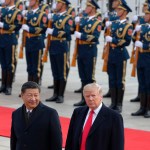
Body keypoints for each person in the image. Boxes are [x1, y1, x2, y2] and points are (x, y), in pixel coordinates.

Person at [65, 83, 124, 150]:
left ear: (101, 96)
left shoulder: (114, 117)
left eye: (93, 95)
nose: (90, 99)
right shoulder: (78, 112)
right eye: (87, 96)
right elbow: (70, 140)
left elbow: (117, 145)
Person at [10, 81, 62, 150]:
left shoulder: (50, 114)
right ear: (22, 95)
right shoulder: (16, 114)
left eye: (36, 95)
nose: (33, 99)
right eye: (30, 95)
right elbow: (14, 140)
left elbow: (56, 142)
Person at [105, 0, 132, 113]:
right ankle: (113, 102)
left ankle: (119, 104)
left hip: (121, 54)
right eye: (117, 9)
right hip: (112, 54)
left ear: (125, 11)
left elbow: (127, 41)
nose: (117, 11)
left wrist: (114, 40)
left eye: (120, 9)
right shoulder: (114, 23)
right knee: (112, 79)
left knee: (120, 81)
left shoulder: (128, 26)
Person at [73, 0, 101, 106]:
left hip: (90, 50)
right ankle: (84, 99)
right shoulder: (83, 20)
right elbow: (73, 29)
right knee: (83, 77)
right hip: (81, 50)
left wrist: (82, 36)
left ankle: (92, 99)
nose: (86, 9)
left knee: (90, 77)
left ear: (93, 8)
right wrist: (76, 21)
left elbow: (95, 37)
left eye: (88, 7)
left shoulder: (97, 22)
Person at [45, 0, 73, 103]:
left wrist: (54, 32)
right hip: (53, 46)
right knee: (55, 71)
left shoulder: (68, 18)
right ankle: (55, 94)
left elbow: (67, 32)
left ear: (64, 5)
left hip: (62, 47)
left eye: (58, 3)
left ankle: (61, 95)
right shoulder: (54, 16)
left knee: (62, 72)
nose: (56, 4)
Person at [21, 0, 48, 84]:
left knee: (36, 68)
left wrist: (29, 29)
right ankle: (28, 88)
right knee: (29, 67)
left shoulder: (42, 14)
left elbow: (43, 28)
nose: (29, 1)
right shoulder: (28, 13)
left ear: (36, 1)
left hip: (37, 42)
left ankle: (34, 89)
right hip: (28, 42)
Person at [131, 3, 150, 118]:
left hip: (148, 57)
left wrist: (144, 45)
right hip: (141, 58)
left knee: (149, 84)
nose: (145, 16)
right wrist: (135, 29)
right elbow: (134, 39)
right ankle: (142, 107)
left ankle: (148, 108)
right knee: (142, 83)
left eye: (147, 14)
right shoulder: (142, 26)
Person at [102, 0, 124, 98]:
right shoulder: (111, 13)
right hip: (109, 46)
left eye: (114, 1)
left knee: (118, 76)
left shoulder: (118, 15)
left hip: (116, 47)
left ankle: (116, 95)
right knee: (110, 72)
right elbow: (103, 27)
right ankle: (111, 90)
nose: (112, 3)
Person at [0, 0, 22, 95]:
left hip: (10, 39)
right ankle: (3, 85)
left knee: (10, 64)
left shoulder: (17, 12)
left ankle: (9, 86)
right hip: (2, 39)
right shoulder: (3, 10)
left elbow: (17, 26)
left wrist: (3, 25)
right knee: (3, 63)